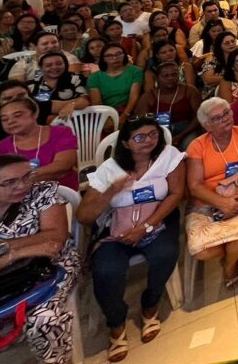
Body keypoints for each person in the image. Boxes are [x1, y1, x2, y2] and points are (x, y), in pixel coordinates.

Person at [78, 116, 186, 361]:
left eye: (152, 134)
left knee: (165, 254)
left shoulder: (168, 155)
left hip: (157, 219)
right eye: (139, 137)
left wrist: (147, 225)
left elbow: (176, 193)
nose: (148, 141)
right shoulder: (110, 169)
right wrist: (111, 191)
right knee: (106, 270)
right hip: (118, 227)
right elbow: (84, 216)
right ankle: (116, 323)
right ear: (126, 143)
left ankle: (150, 304)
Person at [0, 154, 82, 364]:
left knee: (43, 319)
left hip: (49, 269)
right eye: (9, 183)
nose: (22, 186)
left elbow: (54, 239)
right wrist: (13, 255)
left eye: (27, 176)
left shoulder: (42, 192)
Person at [184, 97, 238, 290]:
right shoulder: (197, 146)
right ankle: (233, 255)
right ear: (207, 125)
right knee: (200, 250)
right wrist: (221, 203)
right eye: (217, 118)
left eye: (226, 113)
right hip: (206, 200)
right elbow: (194, 185)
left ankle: (228, 266)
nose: (225, 118)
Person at [0, 96, 79, 190]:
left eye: (17, 115)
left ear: (35, 114)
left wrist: (15, 180)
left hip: (62, 191)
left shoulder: (61, 133)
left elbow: (62, 166)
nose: (10, 121)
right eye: (4, 119)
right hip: (17, 198)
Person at [132, 61, 202, 150]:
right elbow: (143, 122)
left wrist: (181, 135)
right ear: (157, 78)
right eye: (165, 76)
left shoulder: (190, 91)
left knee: (190, 145)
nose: (170, 78)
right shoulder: (148, 97)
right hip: (158, 131)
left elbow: (199, 116)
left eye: (174, 75)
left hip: (186, 130)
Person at [27, 51, 90, 122]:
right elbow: (31, 108)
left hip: (71, 121)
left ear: (65, 64)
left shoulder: (75, 78)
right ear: (41, 68)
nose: (54, 67)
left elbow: (84, 101)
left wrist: (73, 104)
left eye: (59, 64)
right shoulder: (33, 84)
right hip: (41, 124)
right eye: (48, 65)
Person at [87, 43, 144, 121]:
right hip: (104, 114)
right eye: (109, 56)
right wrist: (106, 120)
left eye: (119, 54)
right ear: (103, 59)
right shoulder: (94, 77)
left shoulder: (135, 71)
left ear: (124, 55)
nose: (115, 58)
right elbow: (97, 102)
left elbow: (134, 97)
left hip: (130, 112)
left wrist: (124, 116)